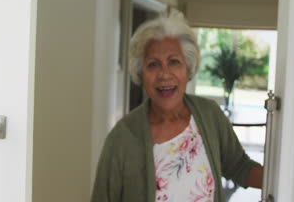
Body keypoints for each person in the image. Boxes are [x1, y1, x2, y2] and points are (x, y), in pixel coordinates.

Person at [91, 12, 263, 202]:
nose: (164, 74)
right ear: (141, 74)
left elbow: (238, 165)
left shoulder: (209, 115)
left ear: (188, 68)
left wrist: (286, 180)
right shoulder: (122, 138)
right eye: (153, 65)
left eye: (173, 62)